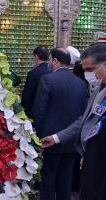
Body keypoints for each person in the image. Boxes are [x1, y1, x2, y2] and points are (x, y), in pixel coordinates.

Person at [41, 47, 106, 200]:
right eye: (85, 70)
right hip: (92, 160)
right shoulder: (98, 91)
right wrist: (56, 138)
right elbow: (83, 121)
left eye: (90, 69)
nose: (88, 75)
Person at [32, 48, 87, 200]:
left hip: (49, 139)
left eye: (50, 60)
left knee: (48, 178)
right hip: (71, 140)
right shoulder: (81, 83)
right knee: (65, 180)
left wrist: (34, 136)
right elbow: (83, 114)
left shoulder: (48, 80)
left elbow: (39, 111)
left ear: (55, 61)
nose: (49, 63)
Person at [22, 45, 51, 118]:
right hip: (49, 111)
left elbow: (27, 96)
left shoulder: (33, 73)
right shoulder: (52, 71)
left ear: (36, 56)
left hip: (34, 111)